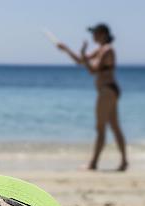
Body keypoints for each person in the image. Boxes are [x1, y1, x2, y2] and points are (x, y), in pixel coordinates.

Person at [57, 23, 128, 171]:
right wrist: (66, 50)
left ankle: (94, 163)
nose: (93, 36)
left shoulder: (107, 50)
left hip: (107, 91)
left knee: (101, 128)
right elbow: (80, 61)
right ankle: (124, 161)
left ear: (102, 34)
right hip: (109, 90)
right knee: (114, 127)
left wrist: (83, 53)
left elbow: (92, 70)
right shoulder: (101, 49)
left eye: (94, 33)